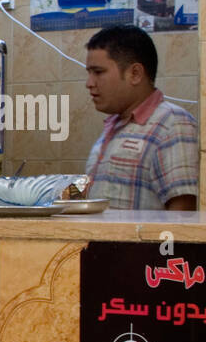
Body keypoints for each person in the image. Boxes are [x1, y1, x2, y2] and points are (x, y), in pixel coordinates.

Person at [83, 24, 198, 211]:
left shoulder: (173, 124)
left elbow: (183, 216)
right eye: (89, 73)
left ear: (135, 74)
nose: (89, 83)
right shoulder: (116, 126)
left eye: (98, 72)